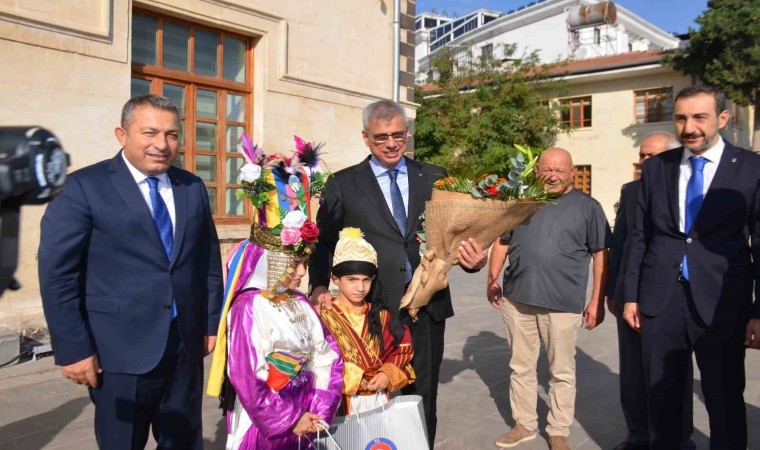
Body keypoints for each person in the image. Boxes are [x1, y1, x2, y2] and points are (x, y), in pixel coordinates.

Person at [38, 94, 223, 449]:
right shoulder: (82, 188)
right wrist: (73, 348)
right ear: (122, 134)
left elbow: (207, 262)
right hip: (118, 351)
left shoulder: (191, 187)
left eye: (171, 134)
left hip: (184, 345)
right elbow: (58, 275)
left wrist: (209, 324)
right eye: (149, 133)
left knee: (184, 441)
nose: (161, 144)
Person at [309, 99, 487, 447]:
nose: (390, 144)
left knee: (423, 398)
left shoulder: (435, 176)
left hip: (428, 305)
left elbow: (457, 235)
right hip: (370, 310)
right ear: (365, 137)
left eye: (397, 135)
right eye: (381, 138)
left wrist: (473, 258)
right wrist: (317, 286)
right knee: (372, 396)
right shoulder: (343, 184)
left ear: (407, 133)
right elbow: (323, 242)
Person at [622, 86, 760, 450]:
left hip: (722, 302)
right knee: (663, 399)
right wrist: (631, 296)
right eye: (681, 118)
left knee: (724, 397)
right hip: (660, 300)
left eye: (700, 117)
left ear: (722, 119)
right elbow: (640, 235)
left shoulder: (751, 168)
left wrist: (759, 312)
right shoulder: (656, 169)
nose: (689, 127)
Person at [206, 135, 344, 450]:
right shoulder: (249, 307)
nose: (301, 272)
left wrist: (319, 409)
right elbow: (248, 378)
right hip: (268, 425)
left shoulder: (300, 302)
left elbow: (327, 354)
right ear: (269, 261)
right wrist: (290, 419)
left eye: (304, 263)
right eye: (293, 263)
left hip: (309, 414)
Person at [487, 148, 610, 450]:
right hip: (518, 300)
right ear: (537, 170)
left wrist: (597, 300)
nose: (552, 175)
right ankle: (524, 424)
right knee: (521, 367)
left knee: (561, 371)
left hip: (563, 304)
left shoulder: (588, 207)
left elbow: (601, 255)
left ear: (571, 172)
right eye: (546, 169)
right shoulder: (523, 202)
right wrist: (491, 279)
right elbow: (502, 243)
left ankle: (558, 430)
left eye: (560, 170)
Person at [607, 132, 696, 450]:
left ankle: (681, 438)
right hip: (629, 293)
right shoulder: (630, 191)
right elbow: (621, 242)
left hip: (672, 297)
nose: (643, 161)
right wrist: (612, 290)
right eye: (641, 155)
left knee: (673, 371)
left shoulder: (690, 189)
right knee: (632, 372)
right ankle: (638, 435)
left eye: (651, 156)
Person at [320, 227, 415, 415]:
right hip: (336, 403)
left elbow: (403, 348)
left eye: (367, 280)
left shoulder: (381, 315)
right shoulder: (323, 316)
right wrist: (352, 377)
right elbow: (315, 359)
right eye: (352, 279)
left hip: (378, 398)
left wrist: (387, 373)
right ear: (335, 279)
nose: (361, 287)